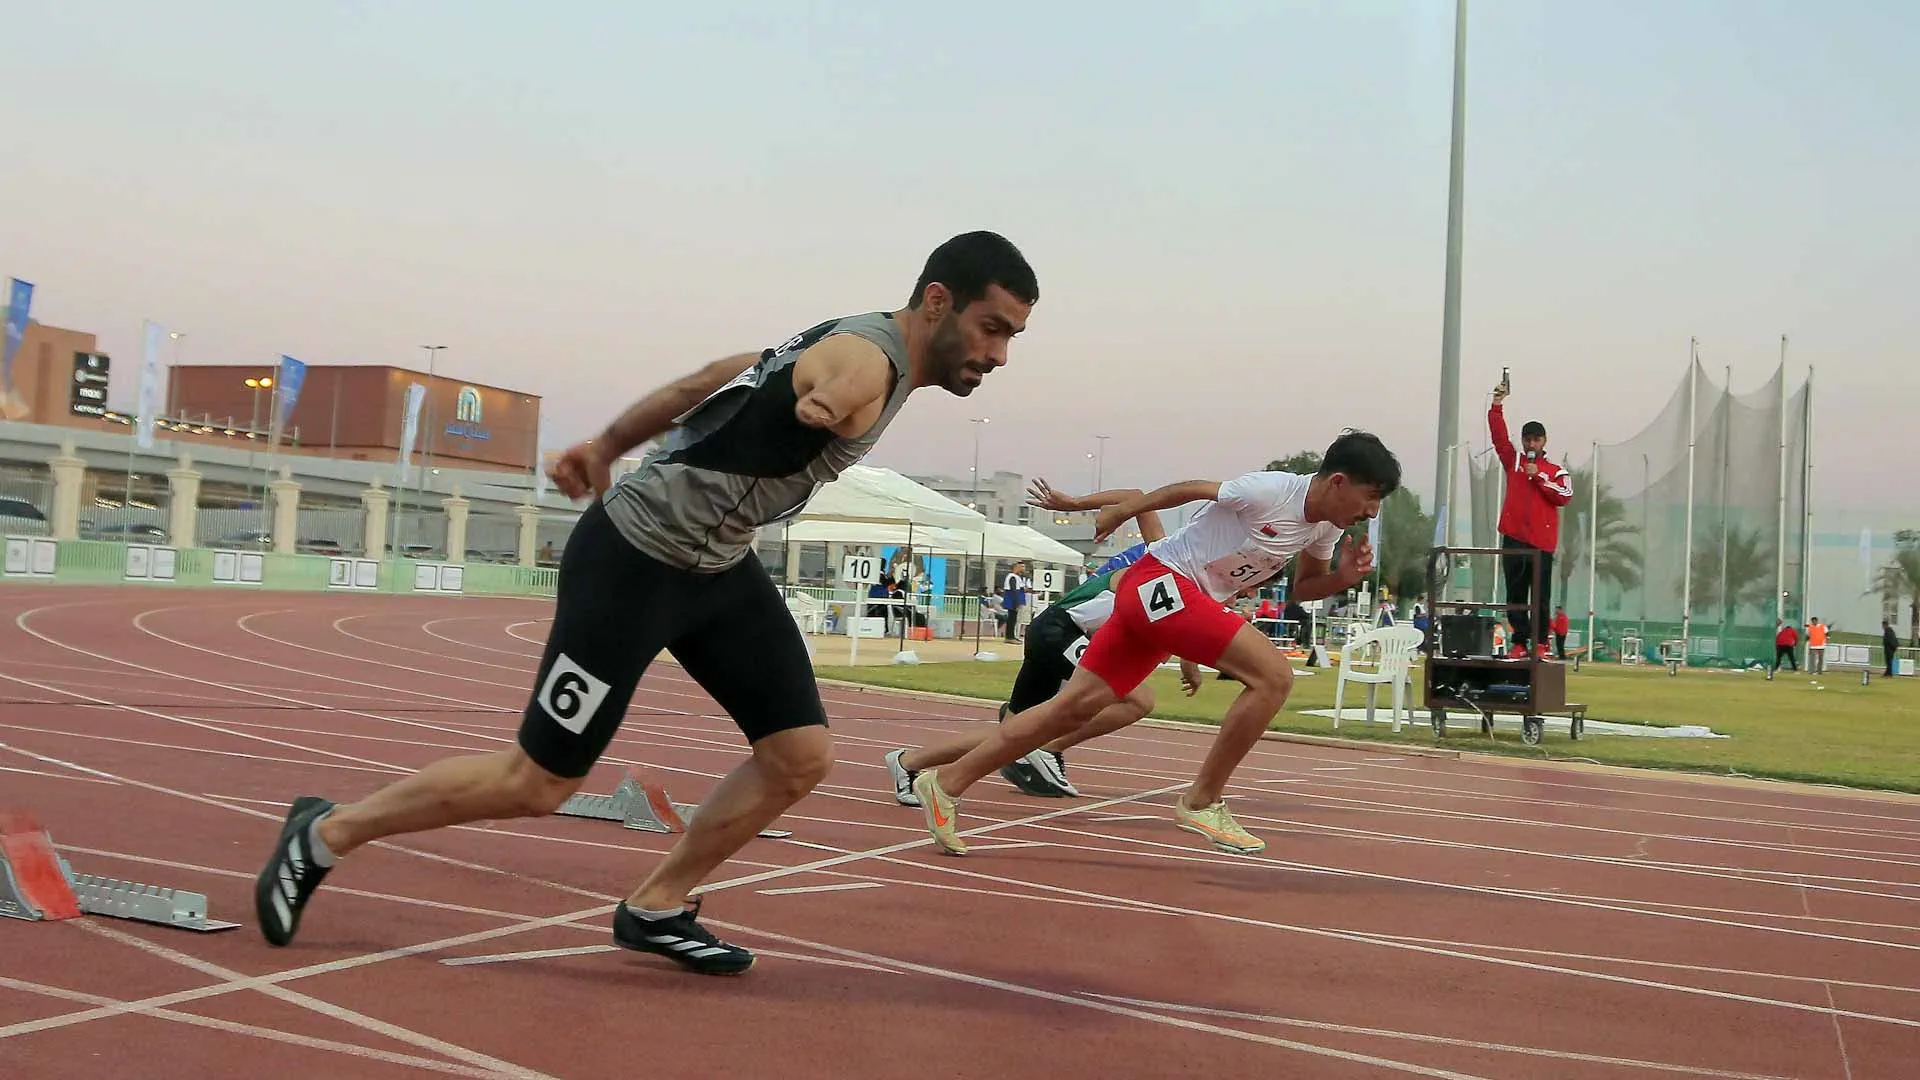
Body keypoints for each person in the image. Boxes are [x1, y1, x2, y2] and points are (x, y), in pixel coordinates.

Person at [251, 231, 1039, 975]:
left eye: (1012, 339)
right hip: (633, 562)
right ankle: (325, 832)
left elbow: (706, 382)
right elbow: (842, 381)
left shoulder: (845, 338)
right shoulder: (866, 359)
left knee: (799, 756)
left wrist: (602, 446)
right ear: (937, 300)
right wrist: (828, 402)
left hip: (717, 570)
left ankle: (656, 906)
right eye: (990, 328)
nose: (999, 355)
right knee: (538, 781)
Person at [911, 431, 1399, 856]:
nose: (1372, 512)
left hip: (1164, 600)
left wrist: (1343, 578)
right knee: (1274, 676)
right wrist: (1126, 509)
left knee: (1071, 709)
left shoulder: (1324, 529)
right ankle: (1202, 801)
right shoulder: (1272, 489)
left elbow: (1304, 588)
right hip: (1160, 580)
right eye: (1371, 497)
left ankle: (947, 783)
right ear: (1338, 481)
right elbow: (1189, 488)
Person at [885, 478, 1199, 802]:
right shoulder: (1162, 555)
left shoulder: (1193, 581)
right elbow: (1135, 495)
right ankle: (1050, 747)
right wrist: (1074, 504)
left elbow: (1178, 624)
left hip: (1052, 630)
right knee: (1138, 699)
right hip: (1061, 629)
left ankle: (907, 763)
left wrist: (1188, 661)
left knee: (1011, 732)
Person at [1489, 380, 1573, 658]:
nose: (1531, 444)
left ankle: (1540, 643)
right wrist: (1497, 405)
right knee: (1514, 595)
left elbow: (1564, 496)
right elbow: (1499, 439)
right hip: (1514, 537)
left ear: (1544, 441)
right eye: (1527, 439)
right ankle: (1519, 641)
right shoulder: (1514, 461)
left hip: (1541, 543)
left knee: (1540, 596)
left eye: (1536, 439)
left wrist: (1538, 476)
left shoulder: (1556, 470)